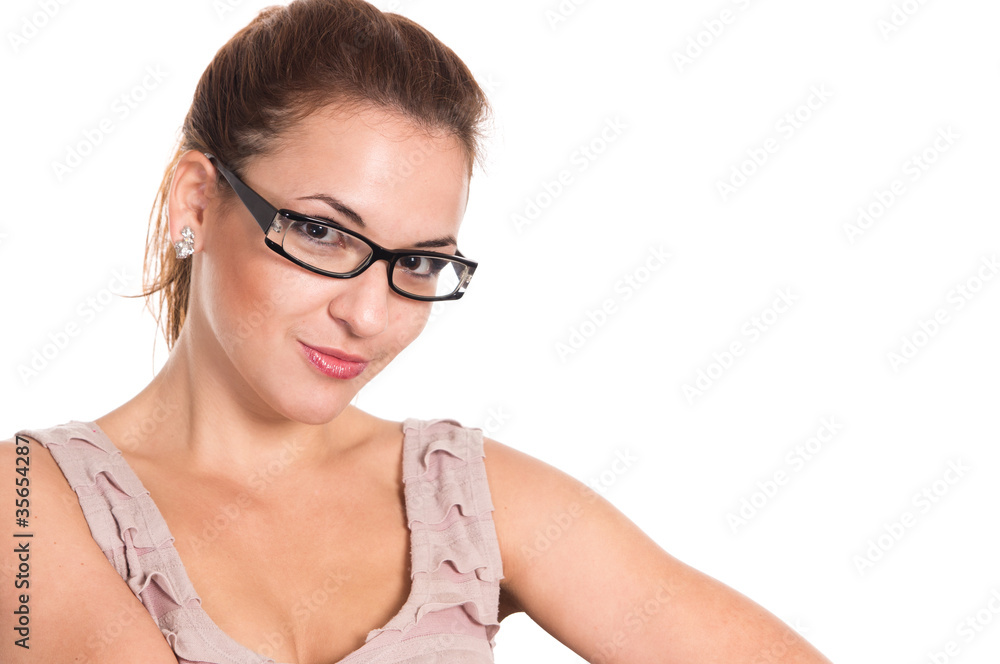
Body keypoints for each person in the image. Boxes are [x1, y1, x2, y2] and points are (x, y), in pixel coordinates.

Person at [2, 1, 834, 662]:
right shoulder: (27, 504)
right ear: (196, 202)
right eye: (324, 233)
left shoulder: (467, 497)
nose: (368, 315)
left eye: (420, 262)